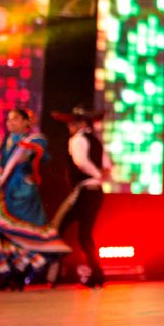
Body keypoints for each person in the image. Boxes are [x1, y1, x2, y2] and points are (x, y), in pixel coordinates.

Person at [0, 109, 69, 290]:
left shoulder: (34, 140)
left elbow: (34, 155)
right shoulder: (2, 143)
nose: (10, 122)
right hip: (2, 194)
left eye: (15, 119)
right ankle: (4, 273)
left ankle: (22, 273)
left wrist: (21, 156)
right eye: (8, 119)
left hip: (23, 196)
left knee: (22, 236)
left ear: (26, 122)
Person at [48, 107, 110, 288]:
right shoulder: (96, 141)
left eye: (73, 122)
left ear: (82, 123)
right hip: (96, 192)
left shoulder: (78, 139)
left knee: (58, 227)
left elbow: (81, 162)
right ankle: (97, 273)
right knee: (84, 235)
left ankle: (56, 272)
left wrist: (96, 174)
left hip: (84, 191)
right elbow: (108, 165)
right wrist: (100, 175)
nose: (70, 126)